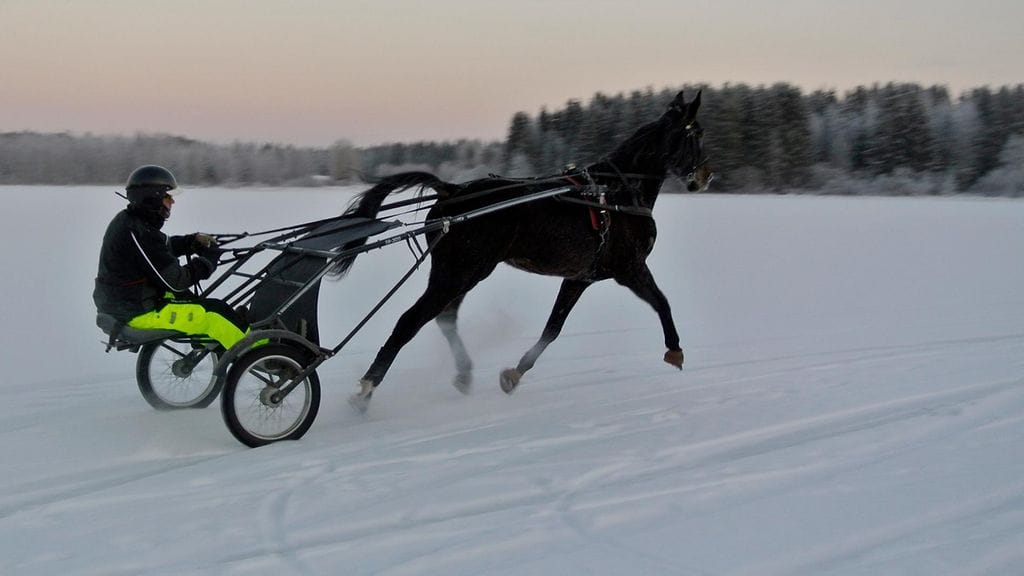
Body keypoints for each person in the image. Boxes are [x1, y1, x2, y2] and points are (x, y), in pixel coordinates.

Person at [93, 165, 248, 349]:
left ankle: (227, 338)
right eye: (168, 197)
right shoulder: (138, 231)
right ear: (153, 198)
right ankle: (261, 353)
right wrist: (207, 262)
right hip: (136, 312)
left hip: (128, 302)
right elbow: (176, 282)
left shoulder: (133, 222)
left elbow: (159, 249)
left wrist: (190, 242)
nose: (172, 202)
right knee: (215, 313)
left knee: (193, 300)